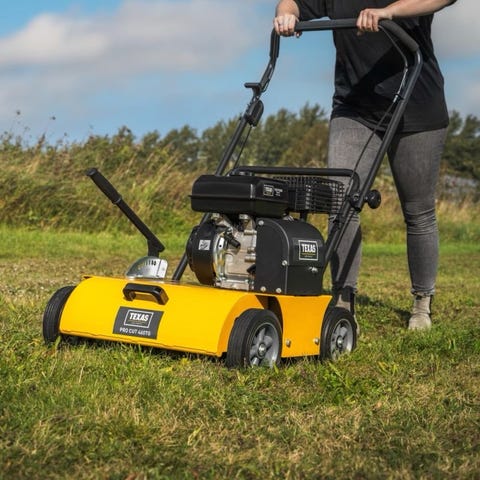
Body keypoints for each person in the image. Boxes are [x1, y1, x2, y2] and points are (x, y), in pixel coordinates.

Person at [274, 0, 457, 330]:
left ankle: (422, 302)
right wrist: (286, 15)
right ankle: (344, 300)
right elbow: (293, 2)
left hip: (416, 105)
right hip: (355, 108)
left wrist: (389, 12)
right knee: (341, 202)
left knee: (418, 210)